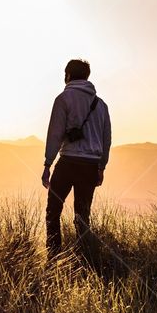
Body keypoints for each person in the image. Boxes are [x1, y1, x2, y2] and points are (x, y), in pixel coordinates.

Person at [42, 59, 112, 256]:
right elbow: (106, 139)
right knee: (82, 216)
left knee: (53, 211)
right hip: (90, 166)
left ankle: (53, 255)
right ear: (87, 76)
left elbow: (55, 134)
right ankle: (85, 256)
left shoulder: (63, 99)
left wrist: (48, 164)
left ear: (68, 75)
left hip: (68, 163)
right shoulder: (101, 105)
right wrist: (101, 167)